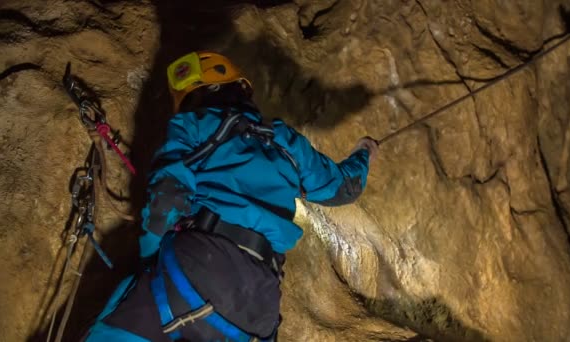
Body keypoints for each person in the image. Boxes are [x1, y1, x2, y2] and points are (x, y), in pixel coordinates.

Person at [84, 51, 379, 341]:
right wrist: (364, 152)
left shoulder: (193, 125)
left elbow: (168, 197)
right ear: (240, 89)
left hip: (199, 267)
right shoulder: (284, 140)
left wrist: (150, 258)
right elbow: (342, 189)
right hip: (259, 305)